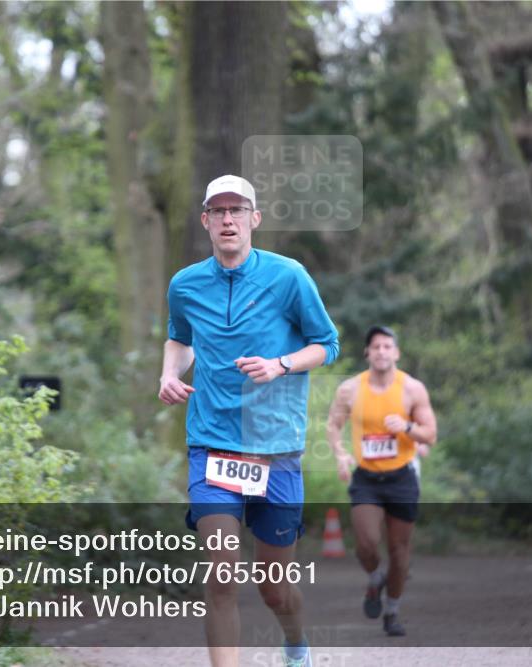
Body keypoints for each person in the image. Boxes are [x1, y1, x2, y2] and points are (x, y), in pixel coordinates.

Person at [159, 175, 340, 667]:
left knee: (274, 589)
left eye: (237, 210)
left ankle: (296, 645)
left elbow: (328, 344)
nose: (228, 219)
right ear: (205, 221)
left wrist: (279, 365)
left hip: (275, 449)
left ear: (254, 218)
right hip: (212, 446)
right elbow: (179, 336)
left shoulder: (289, 277)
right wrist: (169, 375)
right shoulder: (185, 284)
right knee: (220, 576)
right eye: (218, 212)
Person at [326, 325, 437, 637]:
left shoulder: (412, 389)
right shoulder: (349, 389)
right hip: (367, 479)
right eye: (375, 347)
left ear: (397, 353)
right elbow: (333, 425)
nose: (381, 352)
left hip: (402, 477)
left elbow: (430, 433)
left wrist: (406, 426)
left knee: (400, 553)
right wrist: (340, 454)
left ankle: (392, 612)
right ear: (367, 353)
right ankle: (375, 577)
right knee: (365, 542)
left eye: (387, 346)